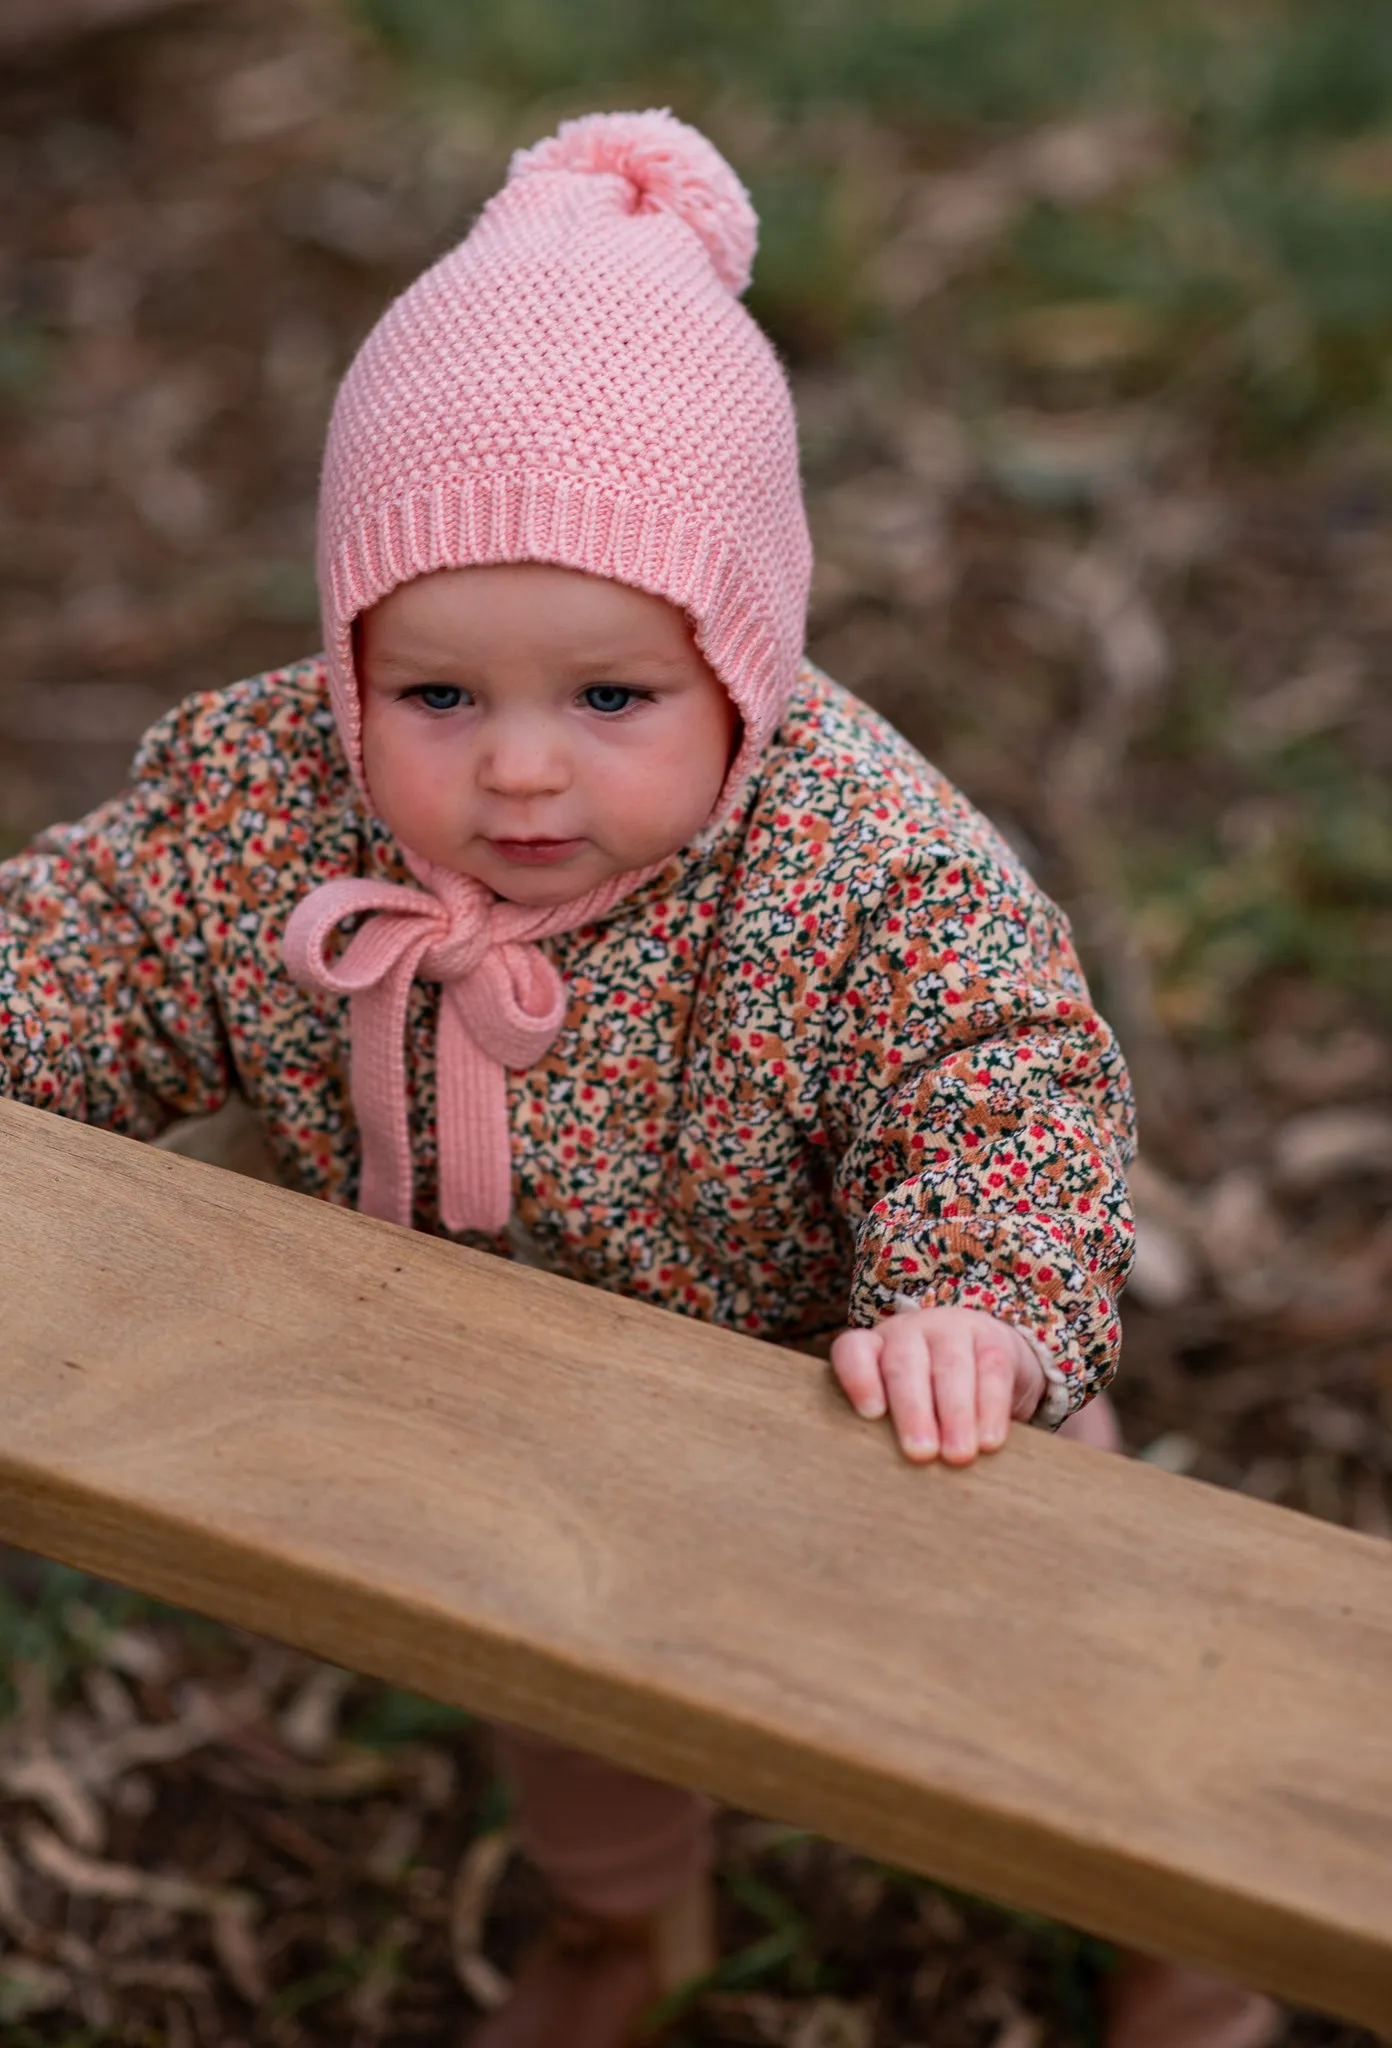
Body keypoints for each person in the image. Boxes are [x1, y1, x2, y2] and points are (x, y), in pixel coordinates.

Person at [0, 109, 1278, 2048]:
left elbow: (997, 1067)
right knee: (560, 1674)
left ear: (741, 666)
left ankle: (1189, 1920)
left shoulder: (860, 863)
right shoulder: (268, 801)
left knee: (1056, 1670)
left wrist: (976, 1296)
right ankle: (625, 1924)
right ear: (349, 661)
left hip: (863, 1382)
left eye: (610, 697)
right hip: (520, 1404)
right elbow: (100, 940)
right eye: (438, 695)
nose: (519, 773)